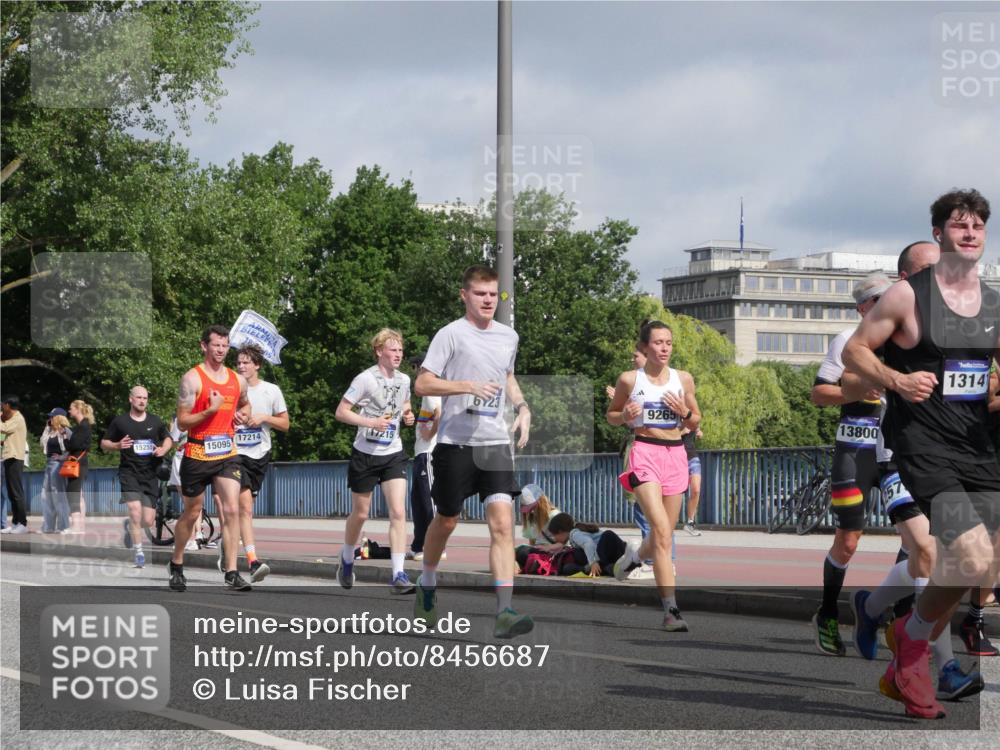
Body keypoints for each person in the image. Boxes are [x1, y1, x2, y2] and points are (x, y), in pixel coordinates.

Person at [843, 188, 1000, 719]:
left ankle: (905, 637)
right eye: (959, 224)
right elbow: (854, 350)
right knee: (970, 557)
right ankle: (912, 653)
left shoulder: (994, 302)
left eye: (978, 223)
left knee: (977, 566)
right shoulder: (908, 296)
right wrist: (896, 379)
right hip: (925, 445)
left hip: (980, 445)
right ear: (940, 233)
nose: (971, 231)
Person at [413, 265, 534, 639]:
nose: (488, 300)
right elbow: (422, 382)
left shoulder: (508, 336)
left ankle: (504, 610)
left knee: (501, 524)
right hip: (455, 444)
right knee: (447, 520)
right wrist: (465, 385)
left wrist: (523, 408)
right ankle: (428, 581)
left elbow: (507, 376)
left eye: (493, 294)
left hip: (495, 443)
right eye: (480, 293)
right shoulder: (450, 335)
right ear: (464, 295)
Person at [808, 272, 894, 655]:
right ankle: (827, 613)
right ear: (862, 308)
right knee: (849, 539)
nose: (885, 306)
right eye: (877, 300)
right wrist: (853, 389)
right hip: (854, 453)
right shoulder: (846, 341)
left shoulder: (907, 342)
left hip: (896, 456)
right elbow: (818, 393)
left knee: (918, 536)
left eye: (889, 298)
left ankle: (899, 615)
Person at [607, 320, 701, 632]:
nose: (664, 348)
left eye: (669, 343)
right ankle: (671, 611)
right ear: (645, 347)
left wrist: (685, 414)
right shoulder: (629, 379)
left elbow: (696, 419)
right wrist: (624, 416)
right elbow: (612, 415)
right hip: (644, 452)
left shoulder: (683, 378)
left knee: (664, 534)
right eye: (658, 342)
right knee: (660, 528)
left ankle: (634, 555)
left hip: (676, 456)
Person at [170, 325, 252, 592]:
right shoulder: (192, 379)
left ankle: (231, 572)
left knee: (231, 510)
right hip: (196, 452)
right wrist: (210, 410)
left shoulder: (236, 380)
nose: (221, 350)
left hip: (227, 453)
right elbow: (182, 423)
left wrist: (245, 414)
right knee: (192, 512)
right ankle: (177, 563)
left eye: (225, 346)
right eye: (216, 345)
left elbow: (245, 403)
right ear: (203, 346)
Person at [334, 329, 416, 594]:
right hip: (365, 453)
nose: (398, 355)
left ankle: (399, 574)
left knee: (399, 512)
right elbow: (341, 412)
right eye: (393, 350)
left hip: (393, 452)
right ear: (379, 351)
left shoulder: (404, 379)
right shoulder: (365, 379)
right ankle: (347, 558)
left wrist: (408, 415)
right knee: (360, 514)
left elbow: (404, 404)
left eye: (401, 350)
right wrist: (370, 422)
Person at [230, 343, 290, 583]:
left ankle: (230, 543)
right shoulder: (230, 389)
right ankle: (253, 561)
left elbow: (285, 424)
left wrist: (264, 417)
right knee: (245, 507)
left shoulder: (271, 391)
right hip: (233, 454)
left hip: (259, 454)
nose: (241, 366)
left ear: (257, 365)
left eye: (246, 362)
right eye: (239, 362)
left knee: (243, 509)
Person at [101, 386, 172, 569]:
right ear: (131, 399)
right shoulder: (120, 422)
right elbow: (104, 442)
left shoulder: (155, 421)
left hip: (150, 474)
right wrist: (117, 445)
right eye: (139, 397)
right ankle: (139, 552)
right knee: (134, 511)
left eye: (145, 398)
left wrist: (163, 449)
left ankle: (130, 527)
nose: (142, 401)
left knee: (148, 520)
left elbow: (168, 438)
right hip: (129, 472)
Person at [407, 354, 441, 562]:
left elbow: (439, 414)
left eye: (415, 368)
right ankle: (419, 545)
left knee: (429, 501)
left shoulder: (430, 390)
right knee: (418, 502)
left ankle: (437, 545)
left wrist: (429, 434)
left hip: (428, 452)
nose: (414, 372)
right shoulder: (428, 393)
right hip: (420, 453)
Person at [546, 512, 632, 577]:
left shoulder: (574, 534)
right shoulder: (575, 535)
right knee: (576, 554)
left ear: (560, 531)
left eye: (554, 535)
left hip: (616, 551)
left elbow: (588, 543)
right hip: (606, 556)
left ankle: (621, 564)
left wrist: (593, 563)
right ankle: (608, 568)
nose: (554, 539)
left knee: (607, 534)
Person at [65, 400, 95, 535]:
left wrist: (66, 438)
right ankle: (79, 526)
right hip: (80, 461)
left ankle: (76, 526)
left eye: (71, 408)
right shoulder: (83, 425)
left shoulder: (83, 426)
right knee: (78, 493)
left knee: (73, 493)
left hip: (77, 462)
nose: (69, 411)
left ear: (77, 409)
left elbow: (75, 445)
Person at [39, 408, 72, 533]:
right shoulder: (49, 430)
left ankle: (63, 526)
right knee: (45, 495)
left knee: (58, 495)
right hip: (49, 463)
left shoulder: (66, 431)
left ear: (58, 418)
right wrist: (47, 428)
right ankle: (49, 526)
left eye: (52, 417)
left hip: (59, 464)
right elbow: (42, 444)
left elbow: (72, 448)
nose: (50, 419)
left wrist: (62, 457)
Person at [1, 396, 29, 534]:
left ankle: (22, 523)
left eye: (3, 405)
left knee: (17, 492)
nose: (2, 408)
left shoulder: (18, 418)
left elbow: (4, 429)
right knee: (12, 493)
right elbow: (2, 436)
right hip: (8, 457)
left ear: (8, 405)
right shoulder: (11, 418)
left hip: (15, 458)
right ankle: (16, 522)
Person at [682, 427, 704, 536]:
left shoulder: (691, 418)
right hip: (676, 458)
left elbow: (697, 429)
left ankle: (690, 523)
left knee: (696, 490)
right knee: (673, 492)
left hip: (692, 457)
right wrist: (681, 432)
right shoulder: (673, 415)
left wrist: (699, 432)